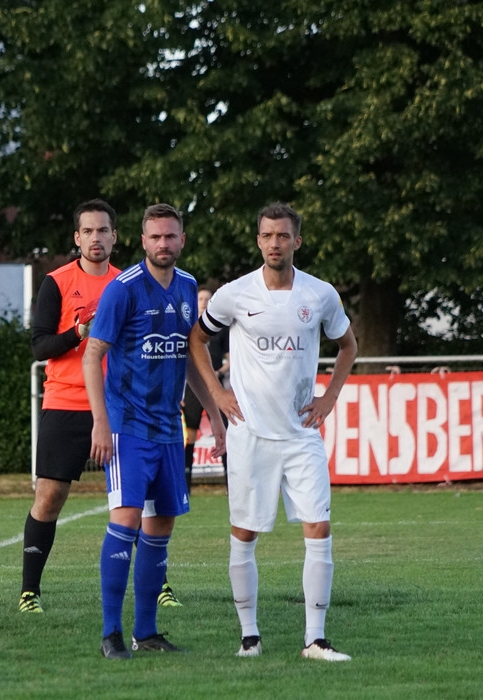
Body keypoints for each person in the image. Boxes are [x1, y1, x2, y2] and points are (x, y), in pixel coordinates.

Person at [188, 202, 358, 662]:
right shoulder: (234, 294)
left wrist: (329, 398)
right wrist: (218, 393)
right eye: (267, 235)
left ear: (296, 241)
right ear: (258, 241)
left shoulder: (320, 294)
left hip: (301, 435)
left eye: (283, 235)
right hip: (250, 436)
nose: (274, 243)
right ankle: (250, 637)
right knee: (244, 534)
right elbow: (197, 340)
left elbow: (348, 345)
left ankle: (315, 639)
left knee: (319, 528)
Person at [83, 203, 225, 659]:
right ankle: (110, 633)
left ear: (182, 240)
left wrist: (215, 416)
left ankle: (146, 632)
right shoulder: (123, 290)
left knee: (161, 524)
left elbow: (192, 361)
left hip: (168, 430)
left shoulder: (187, 287)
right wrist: (100, 422)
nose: (163, 243)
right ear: (142, 241)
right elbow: (92, 355)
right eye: (155, 237)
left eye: (171, 236)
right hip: (127, 427)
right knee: (125, 519)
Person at [19, 199, 121, 614]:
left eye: (103, 230)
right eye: (88, 231)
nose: (96, 238)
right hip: (66, 402)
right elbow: (40, 346)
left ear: (115, 236)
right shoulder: (56, 282)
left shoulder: (128, 283)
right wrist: (79, 331)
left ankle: (160, 585)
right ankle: (30, 592)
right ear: (77, 238)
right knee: (50, 496)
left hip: (117, 405)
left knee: (137, 500)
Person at [181, 288, 229, 492]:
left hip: (215, 386)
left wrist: (217, 372)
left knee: (224, 431)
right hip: (192, 387)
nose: (203, 301)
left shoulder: (220, 329)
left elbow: (230, 359)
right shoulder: (188, 326)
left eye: (207, 299)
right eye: (200, 298)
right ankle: (185, 484)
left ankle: (230, 482)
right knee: (189, 435)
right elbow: (184, 360)